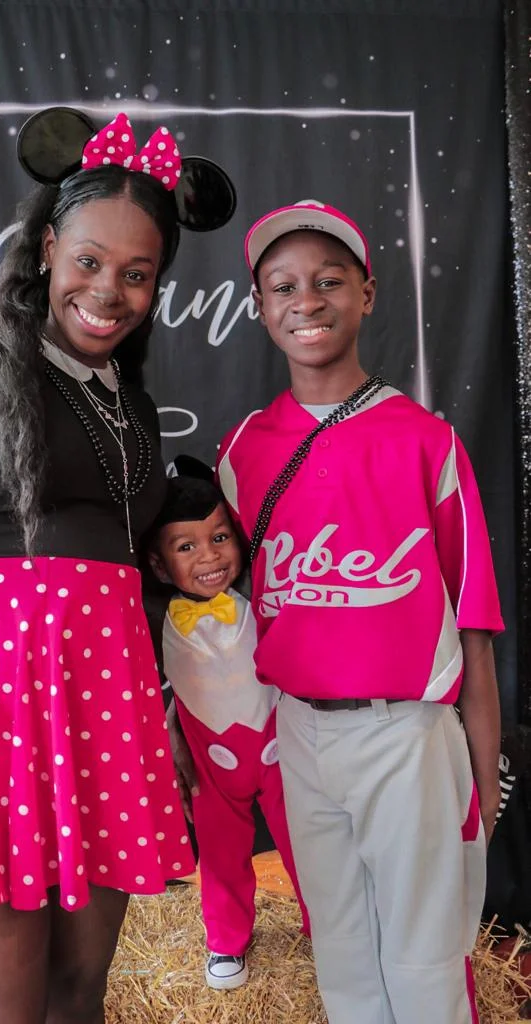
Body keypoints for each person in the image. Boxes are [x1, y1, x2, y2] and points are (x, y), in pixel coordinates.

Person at [0, 108, 234, 1024]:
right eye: (90, 261)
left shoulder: (131, 406)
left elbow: (127, 586)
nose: (109, 291)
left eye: (136, 273)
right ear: (49, 248)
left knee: (76, 1000)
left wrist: (167, 719)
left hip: (102, 725)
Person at [214, 200, 503, 1024]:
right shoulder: (241, 448)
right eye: (282, 286)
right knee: (340, 953)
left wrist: (482, 777)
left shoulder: (426, 441)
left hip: (404, 734)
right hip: (298, 730)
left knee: (423, 960)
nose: (305, 301)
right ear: (259, 306)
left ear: (367, 294)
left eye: (329, 280)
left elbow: (473, 630)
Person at [147, 473, 309, 991]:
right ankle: (226, 939)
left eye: (219, 538)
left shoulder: (263, 600)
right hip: (210, 763)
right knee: (219, 854)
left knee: (307, 843)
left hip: (279, 748)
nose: (209, 556)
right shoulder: (154, 619)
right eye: (186, 546)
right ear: (159, 565)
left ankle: (328, 924)